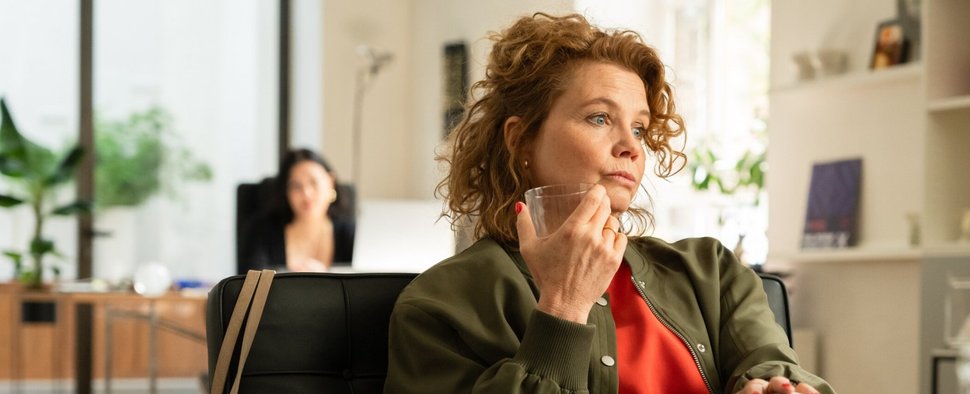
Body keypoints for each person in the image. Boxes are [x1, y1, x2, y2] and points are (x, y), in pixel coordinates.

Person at [385, 13, 834, 394]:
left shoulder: (711, 272)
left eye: (639, 128)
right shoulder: (440, 306)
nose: (631, 147)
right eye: (600, 118)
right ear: (520, 138)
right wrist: (563, 306)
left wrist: (777, 387)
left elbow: (773, 364)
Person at [239, 148, 354, 272]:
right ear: (286, 192)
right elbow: (250, 285)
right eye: (296, 186)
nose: (306, 194)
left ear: (330, 182)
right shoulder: (261, 230)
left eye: (313, 182)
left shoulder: (351, 232)